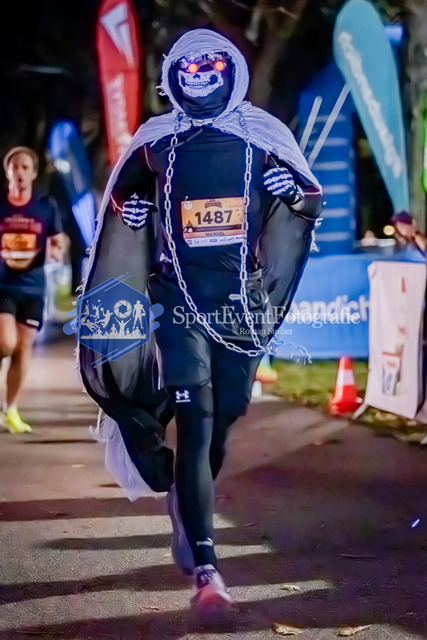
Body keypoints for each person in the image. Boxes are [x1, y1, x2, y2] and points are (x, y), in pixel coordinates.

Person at [79, 29, 322, 616]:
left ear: (231, 70)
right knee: (196, 418)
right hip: (177, 302)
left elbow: (308, 200)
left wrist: (293, 192)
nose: (199, 76)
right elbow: (122, 200)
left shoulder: (263, 135)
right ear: (173, 77)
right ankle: (207, 568)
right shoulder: (154, 143)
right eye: (187, 68)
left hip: (240, 307)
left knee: (224, 416)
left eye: (210, 66)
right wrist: (131, 207)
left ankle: (187, 507)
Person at [0, 146, 65, 433]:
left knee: (22, 347)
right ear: (7, 171)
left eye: (25, 167)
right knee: (5, 343)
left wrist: (57, 248)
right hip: (3, 283)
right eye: (15, 167)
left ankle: (10, 409)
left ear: (34, 173)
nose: (20, 172)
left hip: (33, 287)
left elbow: (57, 237)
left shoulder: (45, 204)